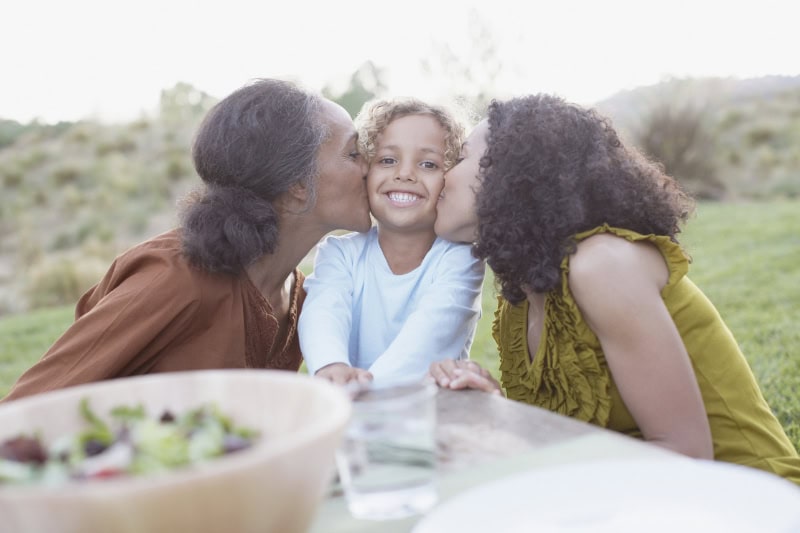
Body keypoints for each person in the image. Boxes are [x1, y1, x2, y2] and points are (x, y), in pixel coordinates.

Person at [429, 94, 800, 484]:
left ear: (509, 175)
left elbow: (687, 455)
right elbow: (579, 436)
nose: (441, 174)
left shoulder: (601, 265)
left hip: (750, 501)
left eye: (460, 158)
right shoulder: (523, 295)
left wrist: (512, 454)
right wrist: (496, 410)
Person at [1, 79, 372, 402]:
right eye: (354, 153)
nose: (371, 167)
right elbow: (25, 410)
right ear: (296, 187)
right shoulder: (177, 278)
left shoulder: (302, 297)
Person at [299, 98, 484, 385]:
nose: (405, 174)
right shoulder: (340, 254)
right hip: (351, 412)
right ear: (366, 171)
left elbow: (426, 340)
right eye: (387, 160)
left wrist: (362, 389)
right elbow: (324, 311)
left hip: (430, 416)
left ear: (449, 178)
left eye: (428, 164)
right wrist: (331, 366)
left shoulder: (459, 260)